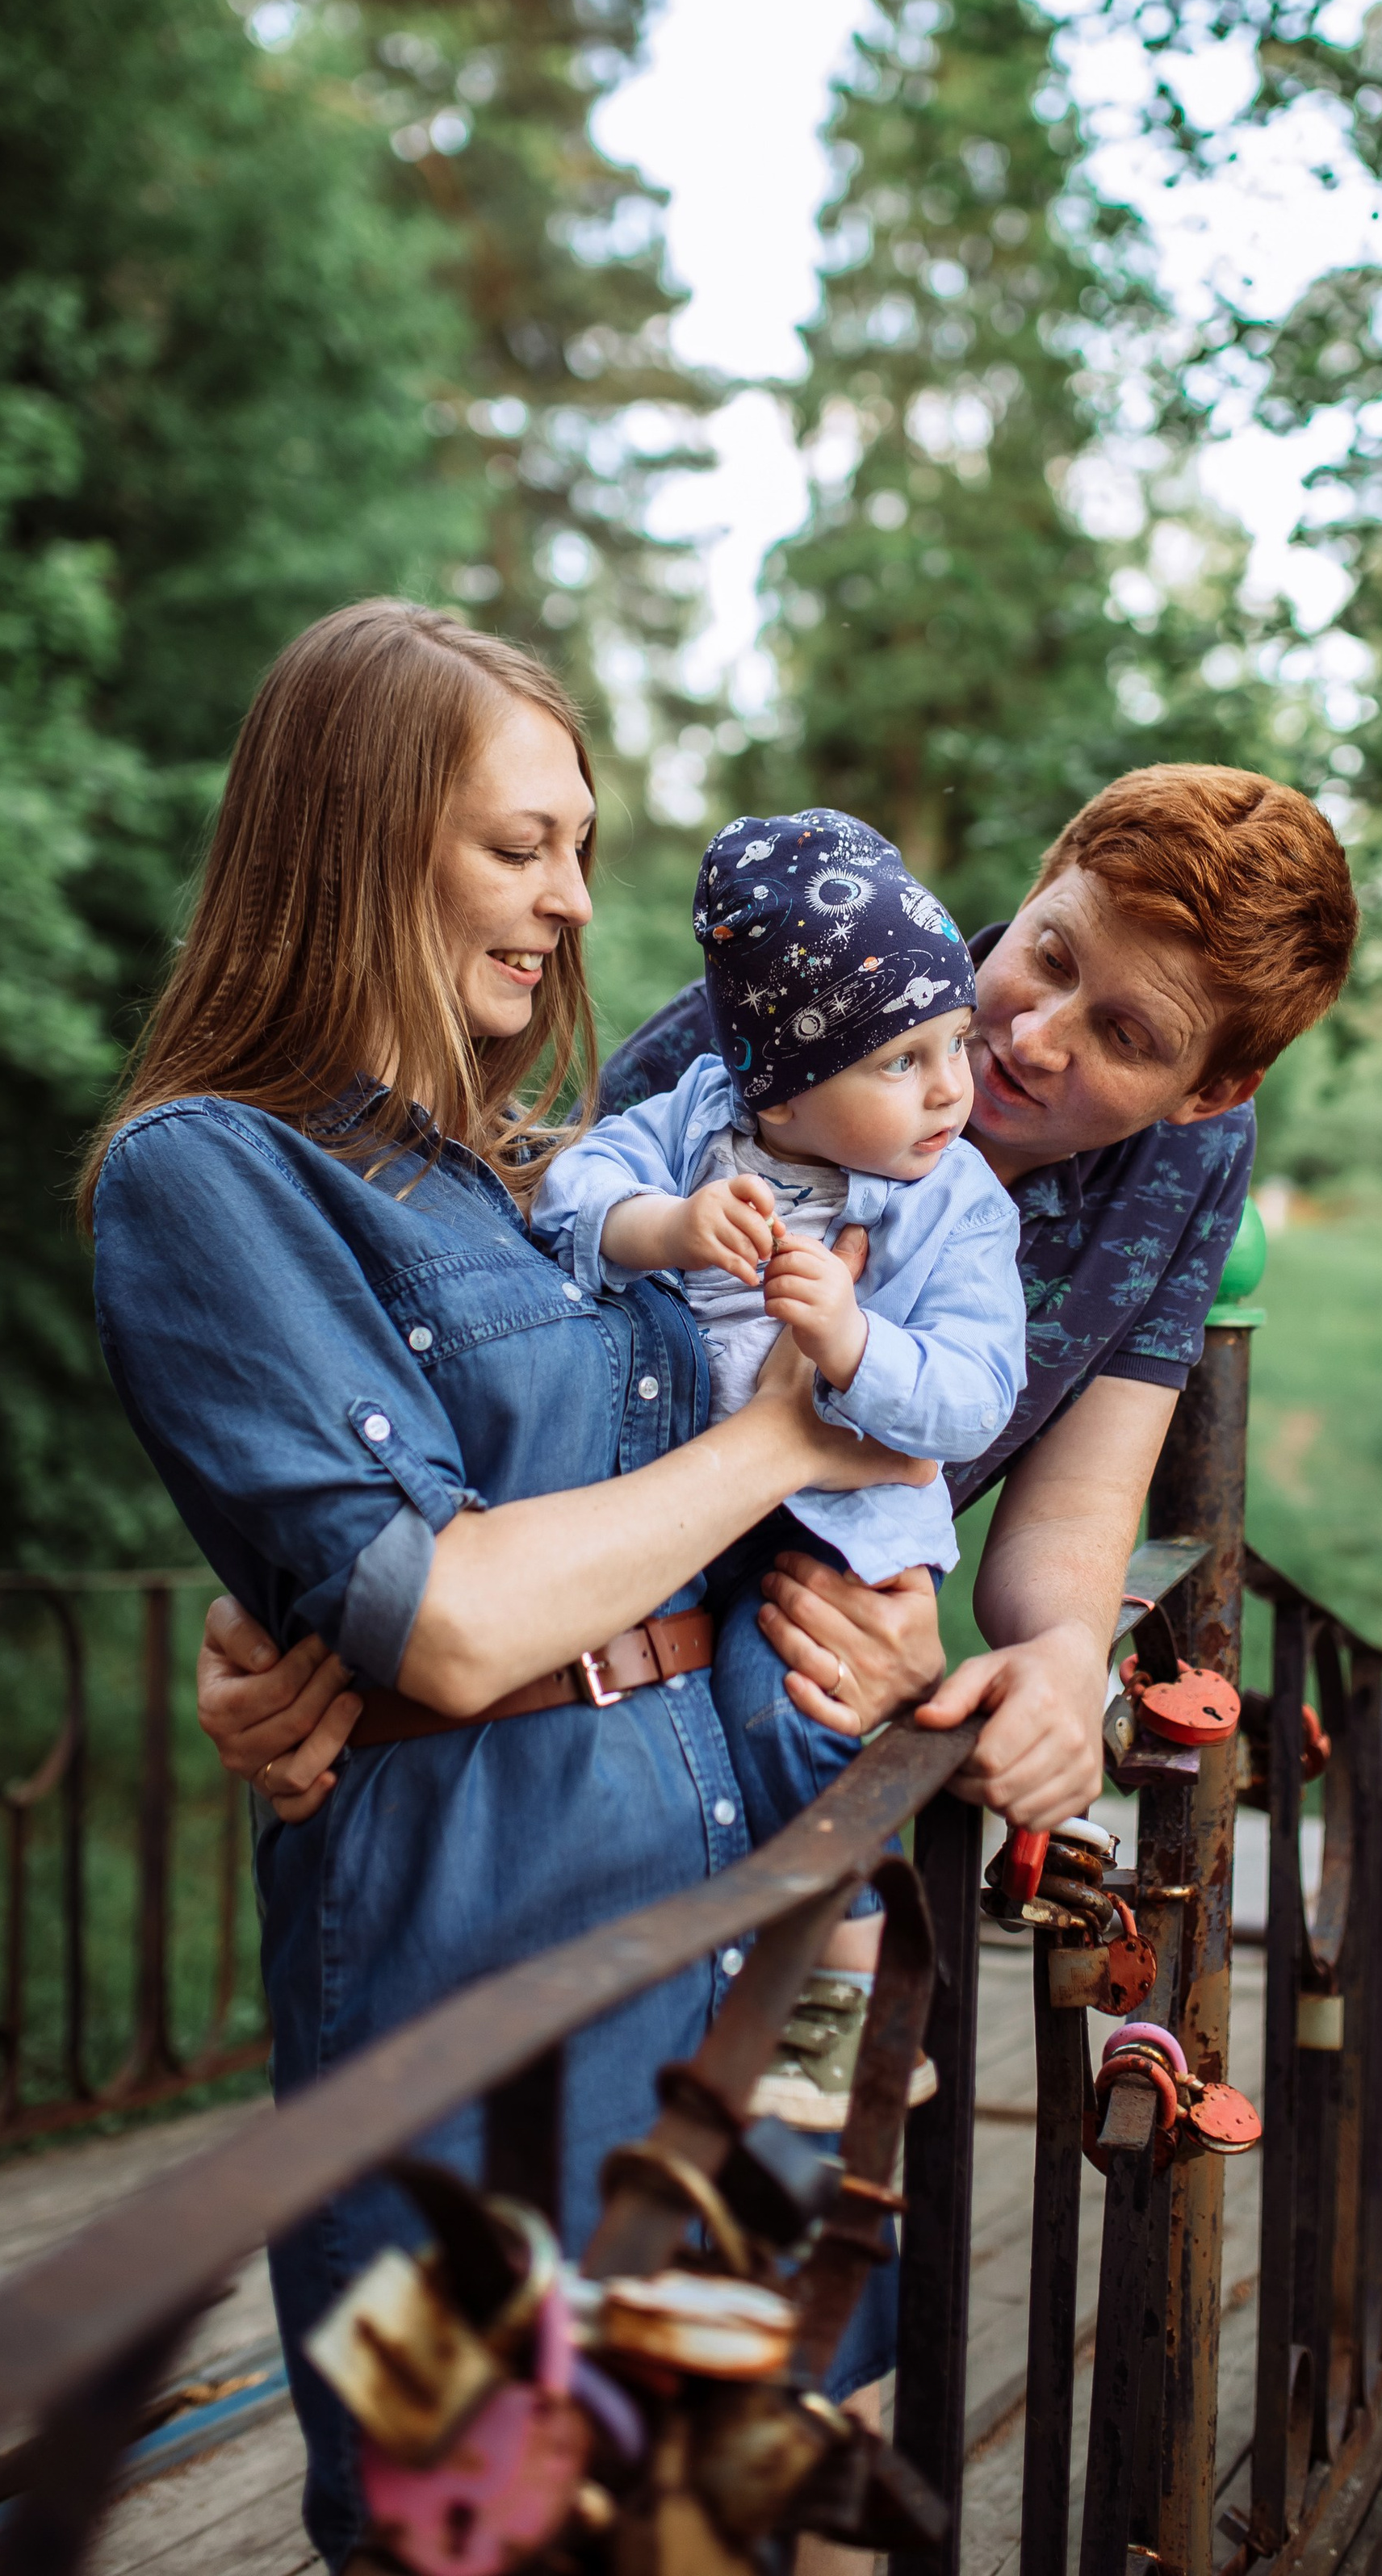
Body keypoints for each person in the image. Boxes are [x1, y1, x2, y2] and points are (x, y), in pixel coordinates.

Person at [82, 601, 935, 2571]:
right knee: (484, 2526)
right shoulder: (207, 1172)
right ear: (357, 836)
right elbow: (449, 1614)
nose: (566, 903)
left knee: (725, 2505)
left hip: (716, 1946)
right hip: (473, 1970)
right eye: (513, 844)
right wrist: (795, 1441)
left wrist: (899, 1621)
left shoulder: (540, 1178)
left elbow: (935, 1094)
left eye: (577, 847)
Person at [203, 761, 1359, 1881]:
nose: (1033, 1036)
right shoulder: (796, 1011)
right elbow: (479, 1331)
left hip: (789, 1654)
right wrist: (310, 1604)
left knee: (792, 2005)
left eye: (1127, 1038)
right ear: (1040, 885)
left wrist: (1058, 1660)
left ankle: (836, 1981)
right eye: (1047, 954)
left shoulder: (1189, 1163)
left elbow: (1085, 1498)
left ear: (1211, 1092)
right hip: (574, 1644)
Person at [532, 807, 1028, 2126]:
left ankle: (845, 1989)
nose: (948, 1089)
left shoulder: (954, 1202)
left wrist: (857, 1346)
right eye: (902, 1059)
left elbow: (978, 1394)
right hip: (681, 1504)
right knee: (625, 1718)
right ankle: (693, 1966)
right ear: (785, 1087)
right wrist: (665, 1225)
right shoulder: (702, 1122)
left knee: (780, 1709)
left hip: (834, 1528)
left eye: (954, 1045)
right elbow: (564, 1195)